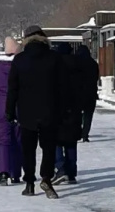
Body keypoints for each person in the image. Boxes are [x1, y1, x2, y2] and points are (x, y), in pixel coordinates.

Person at [6, 25, 64, 199]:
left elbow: (13, 88)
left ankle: (30, 183)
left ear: (26, 39)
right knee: (48, 148)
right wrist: (64, 109)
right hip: (50, 110)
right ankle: (46, 178)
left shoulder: (19, 60)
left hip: (26, 112)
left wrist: (10, 111)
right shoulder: (55, 58)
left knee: (28, 149)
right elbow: (63, 87)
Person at [0, 38, 23, 186]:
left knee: (2, 141)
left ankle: (3, 173)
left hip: (0, 107)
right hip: (19, 107)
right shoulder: (20, 67)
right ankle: (16, 173)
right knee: (18, 140)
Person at [51, 43, 84, 186]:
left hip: (58, 109)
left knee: (56, 140)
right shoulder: (78, 66)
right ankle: (71, 172)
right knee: (71, 142)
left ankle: (60, 167)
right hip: (75, 109)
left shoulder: (55, 67)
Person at [75, 46, 100, 142]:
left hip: (78, 94)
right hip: (91, 93)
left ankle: (78, 132)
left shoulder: (76, 63)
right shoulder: (93, 63)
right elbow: (96, 77)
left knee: (77, 114)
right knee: (88, 115)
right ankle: (85, 135)